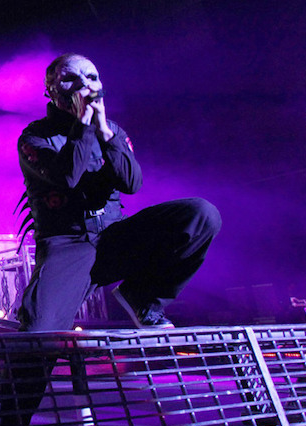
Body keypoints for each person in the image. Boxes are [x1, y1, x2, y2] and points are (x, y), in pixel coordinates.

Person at [17, 53, 221, 331]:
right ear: (50, 90)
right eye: (70, 79)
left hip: (114, 238)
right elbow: (66, 176)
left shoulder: (112, 130)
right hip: (68, 244)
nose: (83, 85)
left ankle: (143, 297)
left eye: (91, 77)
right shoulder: (34, 137)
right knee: (39, 331)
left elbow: (131, 183)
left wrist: (104, 132)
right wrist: (83, 125)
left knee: (202, 215)